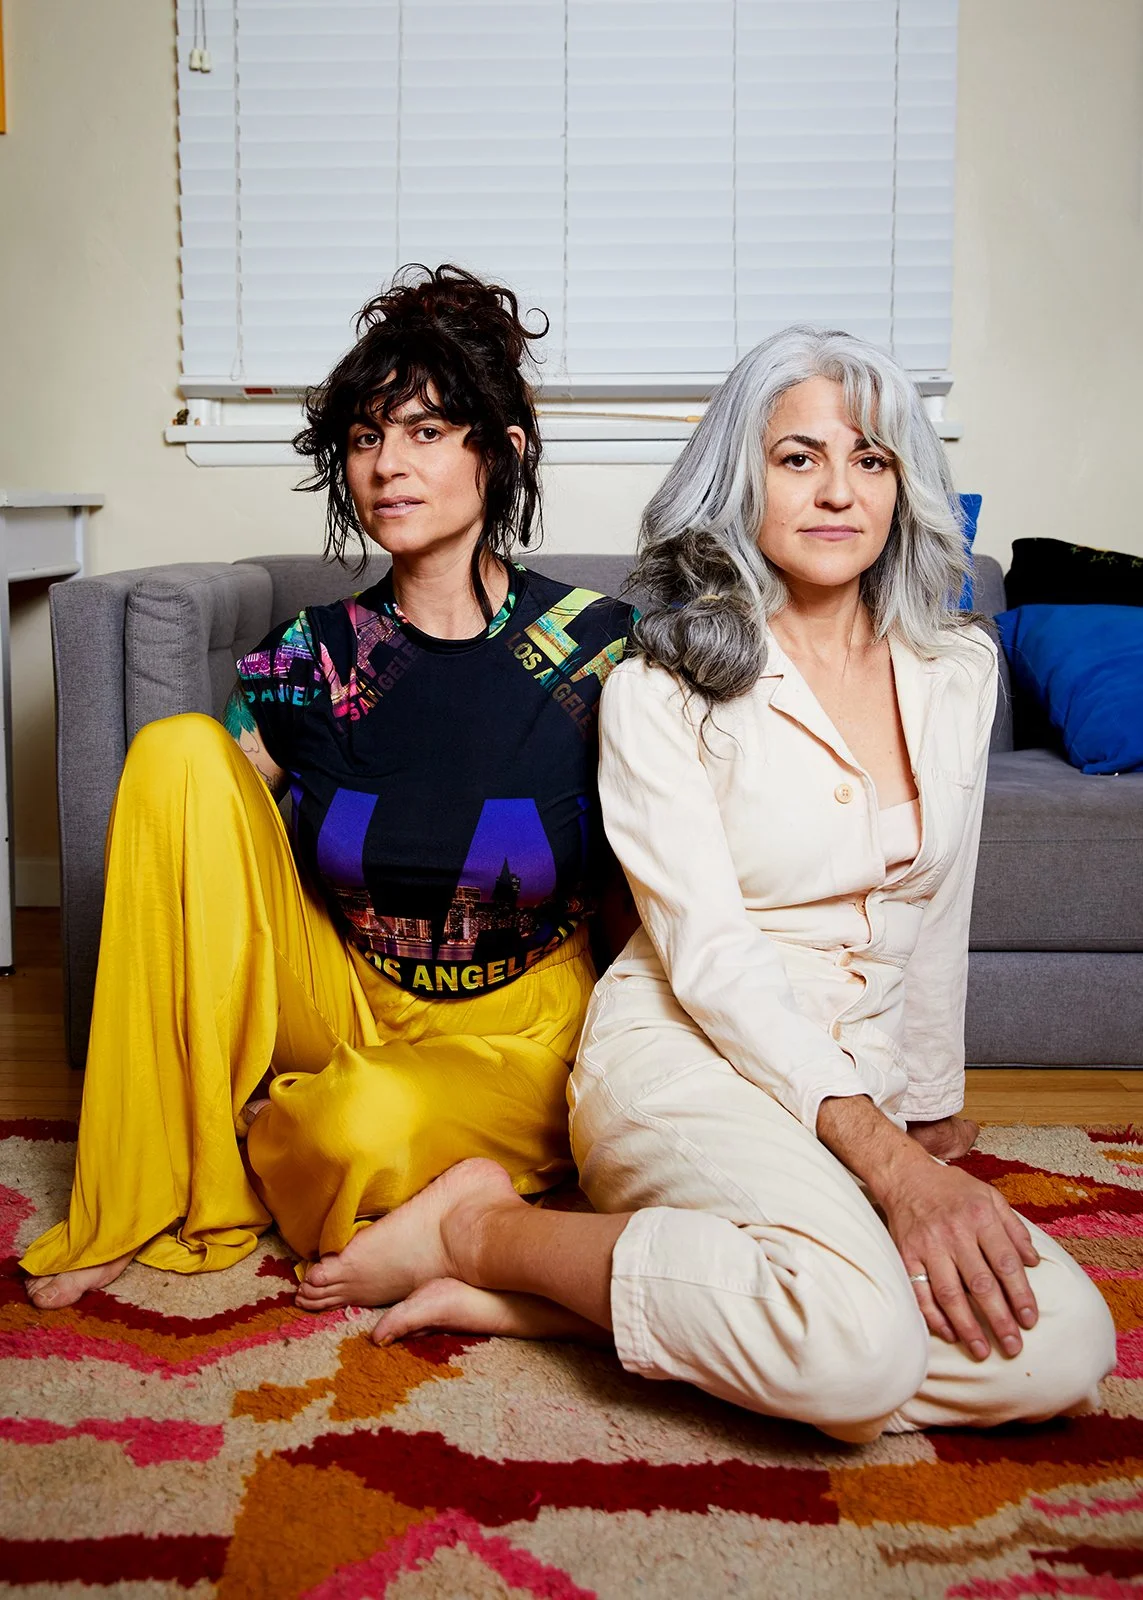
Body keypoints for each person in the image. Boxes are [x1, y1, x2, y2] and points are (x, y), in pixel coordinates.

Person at [281, 326, 1116, 1443]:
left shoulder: (956, 669)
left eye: (870, 460)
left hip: (853, 1074)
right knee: (852, 1348)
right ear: (739, 481)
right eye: (797, 457)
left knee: (1060, 1350)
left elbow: (938, 906)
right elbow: (711, 960)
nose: (837, 491)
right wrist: (884, 1164)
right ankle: (482, 1234)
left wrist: (924, 1108)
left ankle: (603, 1306)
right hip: (685, 1055)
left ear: (903, 486)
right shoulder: (661, 686)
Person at [21, 264, 635, 1310]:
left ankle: (283, 1132)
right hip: (346, 994)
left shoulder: (598, 650)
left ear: (503, 450)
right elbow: (206, 842)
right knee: (174, 751)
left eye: (427, 431)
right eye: (363, 437)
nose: (388, 464)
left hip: (520, 1030)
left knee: (352, 1128)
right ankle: (135, 1188)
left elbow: (668, 876)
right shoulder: (310, 656)